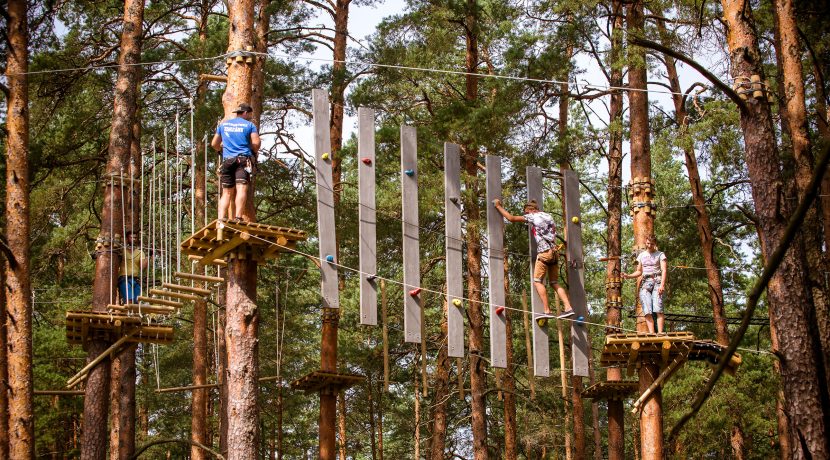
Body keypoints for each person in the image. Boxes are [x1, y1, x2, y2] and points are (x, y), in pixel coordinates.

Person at [493, 198, 575, 319]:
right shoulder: (548, 216)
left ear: (530, 210)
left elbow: (511, 218)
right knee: (554, 282)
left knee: (537, 281)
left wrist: (498, 206)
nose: (525, 215)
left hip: (544, 253)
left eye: (526, 213)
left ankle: (547, 311)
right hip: (554, 253)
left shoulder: (532, 216)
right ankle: (568, 308)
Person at [211, 103, 261, 222]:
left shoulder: (223, 125)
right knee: (241, 188)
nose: (250, 116)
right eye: (249, 114)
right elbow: (256, 144)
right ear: (245, 113)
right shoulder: (250, 125)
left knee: (226, 192)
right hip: (243, 160)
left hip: (227, 161)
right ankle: (238, 217)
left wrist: (221, 149)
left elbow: (214, 144)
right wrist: (251, 148)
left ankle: (221, 218)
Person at [622, 236, 667, 333]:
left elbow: (664, 270)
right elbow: (639, 271)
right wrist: (628, 276)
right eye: (648, 243)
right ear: (645, 243)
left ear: (655, 244)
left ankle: (660, 333)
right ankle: (652, 334)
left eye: (652, 244)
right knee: (647, 310)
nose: (649, 245)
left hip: (657, 281)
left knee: (658, 308)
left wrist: (662, 285)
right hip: (645, 283)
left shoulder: (660, 254)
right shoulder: (641, 256)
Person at [118, 231, 150, 304]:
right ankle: (128, 314)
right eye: (131, 237)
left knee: (137, 301)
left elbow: (142, 267)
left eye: (135, 238)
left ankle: (135, 314)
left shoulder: (140, 252)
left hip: (135, 279)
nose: (134, 239)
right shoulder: (121, 250)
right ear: (127, 239)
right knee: (129, 300)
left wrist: (148, 256)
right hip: (124, 279)